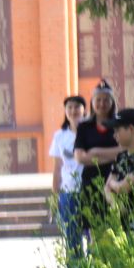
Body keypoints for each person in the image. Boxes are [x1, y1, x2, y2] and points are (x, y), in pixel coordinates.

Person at [72, 80, 121, 248]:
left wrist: (95, 152)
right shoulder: (85, 127)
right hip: (91, 183)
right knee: (93, 231)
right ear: (92, 103)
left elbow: (123, 152)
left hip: (114, 182)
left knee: (114, 229)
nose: (102, 104)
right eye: (98, 100)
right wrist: (111, 156)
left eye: (106, 100)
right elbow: (80, 157)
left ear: (112, 102)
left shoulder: (118, 124)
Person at [48, 95, 88, 252]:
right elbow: (57, 168)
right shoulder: (60, 136)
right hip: (69, 192)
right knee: (72, 239)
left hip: (88, 190)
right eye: (69, 107)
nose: (73, 111)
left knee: (93, 238)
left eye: (77, 107)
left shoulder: (90, 133)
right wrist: (54, 196)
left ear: (84, 110)